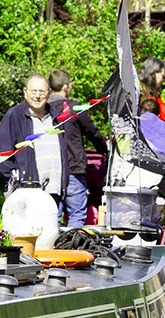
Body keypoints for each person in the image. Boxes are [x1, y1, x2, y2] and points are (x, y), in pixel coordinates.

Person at [0, 74, 65, 249]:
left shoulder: (56, 118)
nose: (37, 95)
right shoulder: (14, 116)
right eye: (33, 91)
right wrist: (17, 181)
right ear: (25, 92)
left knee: (49, 241)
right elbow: (3, 156)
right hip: (27, 195)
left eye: (42, 91)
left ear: (49, 93)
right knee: (28, 243)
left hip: (54, 191)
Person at [47, 69, 108, 229]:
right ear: (66, 87)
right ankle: (71, 248)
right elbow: (92, 132)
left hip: (49, 172)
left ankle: (51, 249)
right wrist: (104, 148)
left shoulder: (42, 109)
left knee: (52, 218)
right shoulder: (73, 108)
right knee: (77, 215)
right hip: (73, 168)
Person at [138, 56, 165, 124]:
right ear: (153, 73)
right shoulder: (141, 93)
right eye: (163, 76)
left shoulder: (154, 95)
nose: (163, 80)